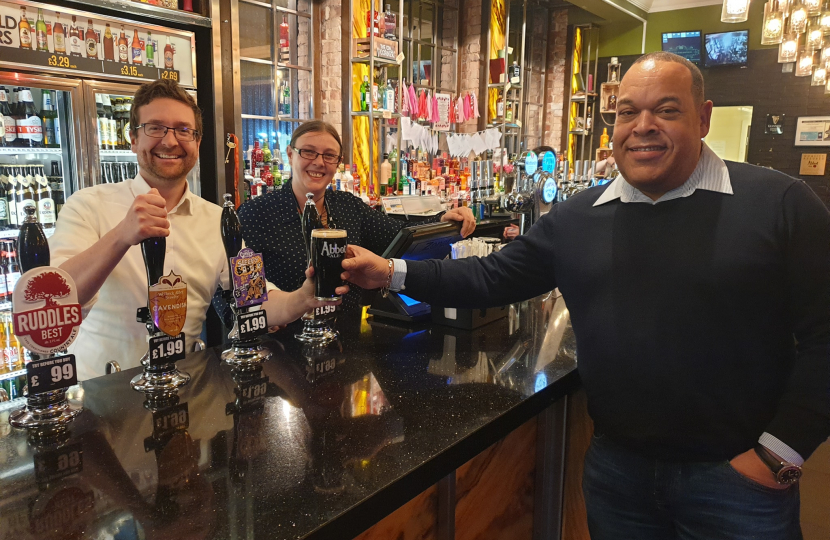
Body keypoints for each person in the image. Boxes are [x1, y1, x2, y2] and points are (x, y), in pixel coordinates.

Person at [342, 52, 830, 539]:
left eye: (666, 110)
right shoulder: (579, 217)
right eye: (626, 112)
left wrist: (779, 454)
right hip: (618, 473)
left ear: (702, 118)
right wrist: (390, 271)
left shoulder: (779, 205)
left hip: (738, 480)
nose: (643, 126)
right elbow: (491, 277)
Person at [50, 80, 345, 381]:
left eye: (183, 130)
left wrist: (303, 298)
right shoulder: (87, 205)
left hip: (186, 393)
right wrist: (121, 236)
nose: (170, 141)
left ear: (197, 142)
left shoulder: (216, 219)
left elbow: (253, 297)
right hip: (104, 401)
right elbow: (54, 300)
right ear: (133, 139)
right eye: (155, 128)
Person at [236, 120, 475, 311]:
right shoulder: (255, 214)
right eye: (308, 152)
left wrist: (442, 221)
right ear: (290, 154)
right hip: (285, 346)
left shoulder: (347, 206)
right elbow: (238, 290)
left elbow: (399, 236)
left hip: (347, 342)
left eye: (329, 156)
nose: (319, 163)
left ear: (338, 162)